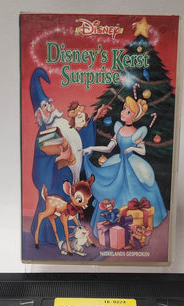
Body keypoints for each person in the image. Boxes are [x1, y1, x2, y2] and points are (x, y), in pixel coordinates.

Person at [29, 68, 108, 245]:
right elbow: (40, 160)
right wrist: (58, 158)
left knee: (70, 207)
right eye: (44, 107)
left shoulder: (62, 123)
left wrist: (94, 119)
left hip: (69, 175)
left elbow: (78, 141)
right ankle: (51, 238)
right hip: (55, 179)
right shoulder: (44, 131)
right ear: (39, 114)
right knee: (56, 208)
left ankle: (71, 236)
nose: (50, 108)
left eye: (49, 104)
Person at [83, 96, 167, 238]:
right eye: (124, 109)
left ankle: (133, 226)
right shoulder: (119, 129)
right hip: (118, 162)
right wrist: (91, 147)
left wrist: (132, 149)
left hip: (131, 164)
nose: (123, 113)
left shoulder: (137, 133)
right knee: (110, 186)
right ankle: (112, 225)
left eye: (128, 112)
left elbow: (143, 151)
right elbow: (109, 148)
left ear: (134, 116)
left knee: (137, 185)